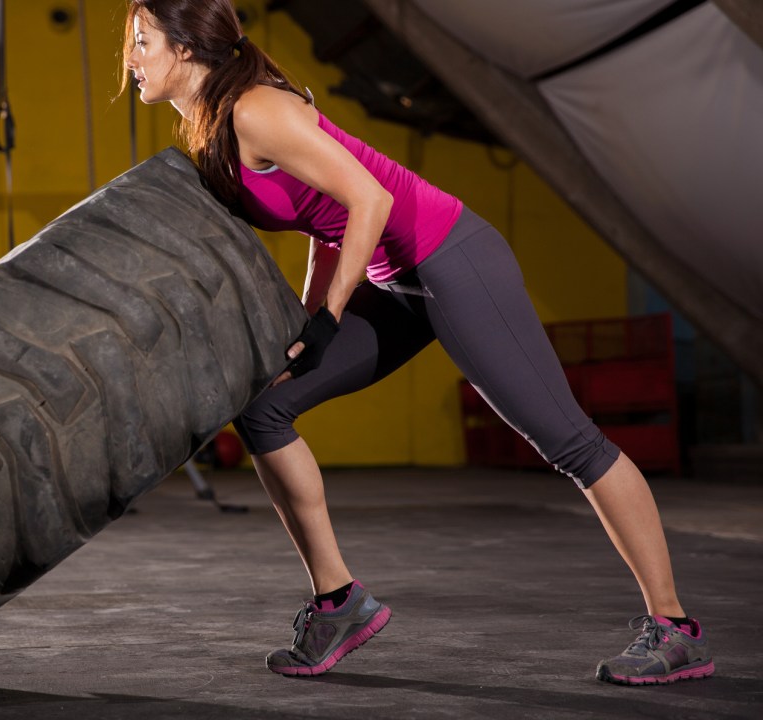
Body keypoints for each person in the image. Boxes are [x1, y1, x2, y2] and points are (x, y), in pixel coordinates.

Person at [121, 0, 713, 686]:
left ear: (187, 49)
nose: (130, 58)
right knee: (262, 408)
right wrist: (309, 321)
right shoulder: (212, 124)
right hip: (394, 281)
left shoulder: (255, 110)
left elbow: (369, 200)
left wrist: (331, 315)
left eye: (141, 41)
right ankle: (338, 603)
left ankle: (675, 629)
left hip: (453, 260)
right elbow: (326, 217)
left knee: (571, 444)